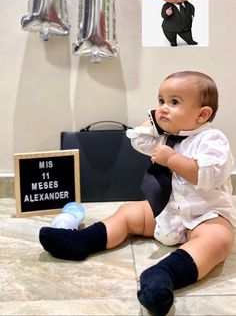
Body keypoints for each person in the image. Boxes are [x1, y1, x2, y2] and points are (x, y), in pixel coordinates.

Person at [39, 71, 236, 316]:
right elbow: (138, 141)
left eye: (174, 102)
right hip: (169, 209)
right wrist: (154, 122)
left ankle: (164, 275)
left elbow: (210, 175)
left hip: (204, 213)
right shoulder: (166, 137)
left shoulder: (211, 139)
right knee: (128, 212)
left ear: (202, 114)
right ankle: (82, 241)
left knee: (219, 239)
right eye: (160, 100)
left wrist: (173, 159)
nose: (163, 107)